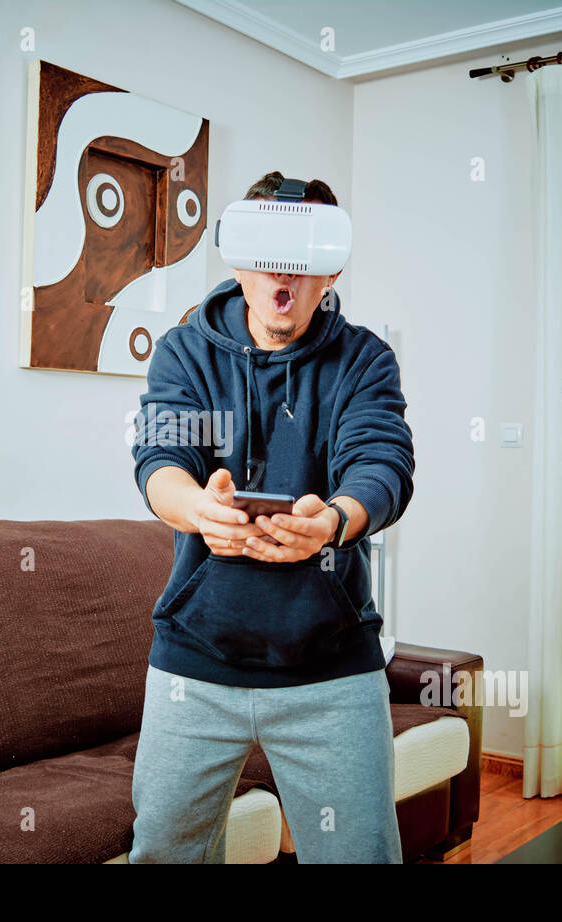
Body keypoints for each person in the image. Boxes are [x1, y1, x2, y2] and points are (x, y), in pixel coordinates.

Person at [128, 171, 415, 863]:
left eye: (306, 252)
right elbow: (159, 460)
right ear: (237, 256)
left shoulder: (364, 360)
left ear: (330, 268)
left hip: (330, 671)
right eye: (268, 249)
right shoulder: (185, 351)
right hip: (195, 664)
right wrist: (199, 509)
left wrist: (335, 520)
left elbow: (382, 464)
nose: (284, 271)